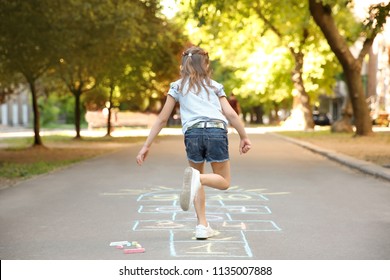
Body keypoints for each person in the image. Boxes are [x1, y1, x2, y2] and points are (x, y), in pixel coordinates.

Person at [136, 46, 252, 240]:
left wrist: (146, 145)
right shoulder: (215, 86)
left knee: (196, 178)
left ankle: (202, 226)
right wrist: (244, 136)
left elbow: (162, 118)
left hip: (193, 133)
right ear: (205, 64)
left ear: (183, 65)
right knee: (223, 182)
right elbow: (230, 113)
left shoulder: (177, 86)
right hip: (215, 131)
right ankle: (198, 186)